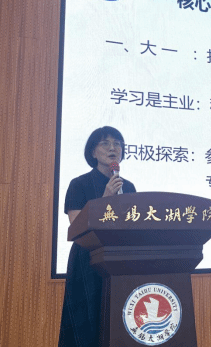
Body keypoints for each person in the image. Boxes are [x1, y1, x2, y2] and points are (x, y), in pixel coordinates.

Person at [58, 126, 136, 347]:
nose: (113, 148)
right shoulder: (79, 184)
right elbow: (76, 226)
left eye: (117, 143)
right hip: (87, 261)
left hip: (120, 261)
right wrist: (105, 198)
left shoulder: (128, 187)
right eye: (105, 143)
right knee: (86, 324)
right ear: (93, 152)